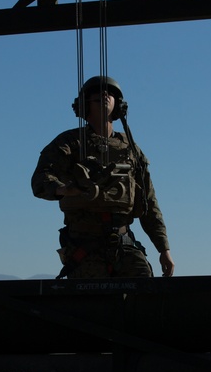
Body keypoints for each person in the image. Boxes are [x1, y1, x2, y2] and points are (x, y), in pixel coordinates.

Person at [32, 75, 175, 279]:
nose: (105, 95)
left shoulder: (131, 149)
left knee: (147, 293)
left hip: (123, 242)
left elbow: (149, 203)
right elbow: (40, 179)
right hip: (84, 245)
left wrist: (164, 249)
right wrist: (63, 189)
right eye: (97, 94)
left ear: (119, 105)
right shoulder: (70, 143)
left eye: (110, 93)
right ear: (84, 104)